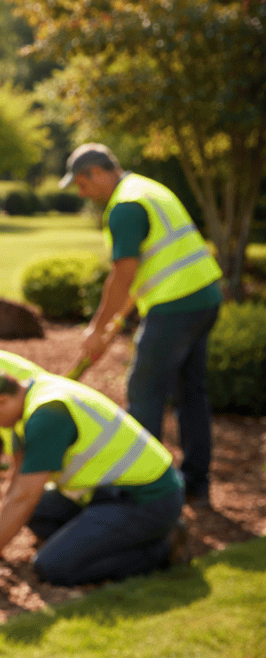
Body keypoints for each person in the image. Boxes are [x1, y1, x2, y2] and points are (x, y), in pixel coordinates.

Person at [60, 143, 223, 508]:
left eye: (82, 185)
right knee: (191, 394)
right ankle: (197, 484)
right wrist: (113, 323)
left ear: (97, 173)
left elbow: (123, 275)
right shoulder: (147, 189)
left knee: (144, 394)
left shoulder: (125, 207)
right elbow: (146, 270)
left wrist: (96, 328)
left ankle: (143, 491)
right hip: (204, 297)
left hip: (176, 305)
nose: (83, 193)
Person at [0, 361, 186, 586]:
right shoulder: (33, 397)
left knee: (53, 567)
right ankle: (108, 538)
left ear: (1, 400)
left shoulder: (48, 414)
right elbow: (15, 487)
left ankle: (162, 547)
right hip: (104, 494)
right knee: (36, 513)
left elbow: (24, 497)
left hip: (147, 498)